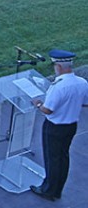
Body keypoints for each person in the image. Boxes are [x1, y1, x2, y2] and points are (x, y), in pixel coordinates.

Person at [30, 50, 88, 202]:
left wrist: (37, 103)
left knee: (52, 159)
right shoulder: (82, 82)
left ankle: (48, 190)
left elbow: (48, 109)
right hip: (71, 126)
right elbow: (86, 102)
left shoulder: (59, 86)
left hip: (54, 127)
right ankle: (57, 190)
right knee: (63, 157)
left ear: (59, 66)